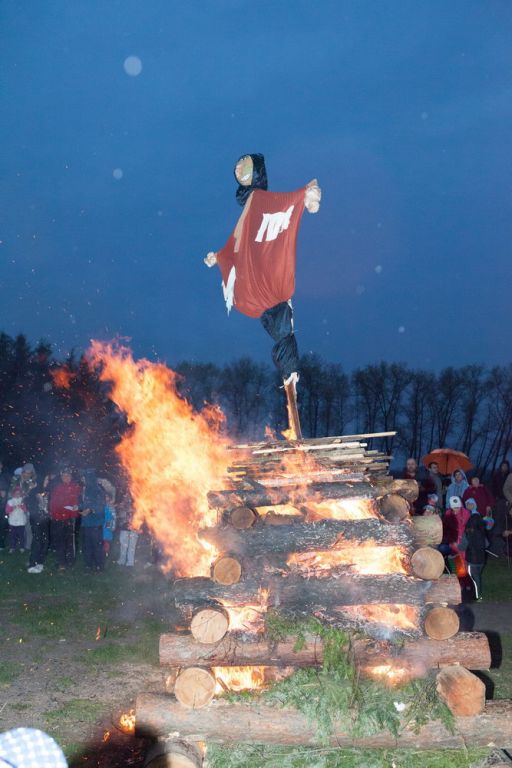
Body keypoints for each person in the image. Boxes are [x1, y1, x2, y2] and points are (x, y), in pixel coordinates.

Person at [205, 153, 321, 438]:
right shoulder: (250, 208)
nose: (240, 172)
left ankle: (291, 383)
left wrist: (304, 196)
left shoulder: (261, 201)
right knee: (279, 331)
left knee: (282, 332)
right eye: (238, 171)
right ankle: (289, 380)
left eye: (245, 169)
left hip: (268, 284)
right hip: (255, 286)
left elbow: (281, 204)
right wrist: (219, 257)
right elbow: (236, 242)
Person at [49, 467, 81, 570]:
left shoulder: (75, 487)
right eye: (64, 476)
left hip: (69, 518)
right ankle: (61, 562)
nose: (66, 477)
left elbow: (78, 502)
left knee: (70, 541)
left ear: (71, 476)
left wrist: (76, 508)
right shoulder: (58, 487)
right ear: (61, 477)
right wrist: (52, 513)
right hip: (58, 518)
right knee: (59, 540)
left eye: (68, 475)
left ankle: (70, 562)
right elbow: (53, 502)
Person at [79, 468, 106, 571]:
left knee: (97, 545)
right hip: (86, 523)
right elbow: (85, 503)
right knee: (87, 545)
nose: (82, 479)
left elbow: (100, 505)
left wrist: (90, 510)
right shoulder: (85, 489)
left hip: (95, 522)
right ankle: (88, 565)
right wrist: (78, 506)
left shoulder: (98, 489)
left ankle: (99, 565)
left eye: (84, 477)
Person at [463, 500, 488, 601]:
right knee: (477, 576)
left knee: (474, 578)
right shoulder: (482, 533)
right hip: (481, 560)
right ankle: (475, 594)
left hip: (472, 560)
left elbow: (462, 546)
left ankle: (477, 596)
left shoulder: (468, 534)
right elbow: (487, 544)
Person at [26, 475, 52, 573]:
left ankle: (40, 562)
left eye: (48, 479)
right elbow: (29, 504)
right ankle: (32, 564)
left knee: (45, 541)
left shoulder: (48, 491)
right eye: (46, 479)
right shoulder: (35, 491)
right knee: (37, 540)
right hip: (36, 519)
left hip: (45, 519)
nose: (48, 481)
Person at [441, 496, 470, 580]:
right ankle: (461, 577)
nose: (456, 509)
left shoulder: (466, 513)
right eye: (454, 508)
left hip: (464, 539)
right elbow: (445, 529)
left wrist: (463, 539)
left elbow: (468, 528)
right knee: (458, 559)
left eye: (457, 507)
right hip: (453, 541)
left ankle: (465, 577)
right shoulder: (448, 514)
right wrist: (451, 540)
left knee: (464, 558)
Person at [116, 493, 139, 567]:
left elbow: (140, 516)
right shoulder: (123, 503)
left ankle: (130, 562)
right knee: (123, 545)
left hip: (134, 528)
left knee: (132, 546)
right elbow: (120, 514)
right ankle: (122, 560)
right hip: (124, 527)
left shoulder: (139, 503)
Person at [5, 486, 27, 552]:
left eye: (19, 493)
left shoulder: (23, 500)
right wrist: (12, 508)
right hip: (12, 521)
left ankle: (22, 547)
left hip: (21, 521)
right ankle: (12, 547)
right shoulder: (10, 501)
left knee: (21, 535)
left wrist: (22, 506)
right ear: (13, 494)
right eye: (16, 493)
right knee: (12, 535)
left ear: (20, 494)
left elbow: (25, 510)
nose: (17, 494)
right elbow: (7, 511)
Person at [0, 458, 10, 550]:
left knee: (2, 525)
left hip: (2, 506)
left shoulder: (3, 477)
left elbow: (3, 494)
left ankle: (1, 543)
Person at [102, 493, 116, 557]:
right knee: (101, 541)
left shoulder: (111, 507)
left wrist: (113, 526)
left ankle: (106, 554)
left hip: (108, 525)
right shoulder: (101, 506)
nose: (105, 498)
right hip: (101, 525)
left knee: (106, 541)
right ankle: (101, 553)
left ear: (109, 498)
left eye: (107, 497)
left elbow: (114, 517)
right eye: (105, 497)